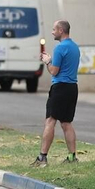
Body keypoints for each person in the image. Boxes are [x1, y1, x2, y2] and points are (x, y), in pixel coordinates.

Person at [34, 19, 80, 166]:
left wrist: (48, 61)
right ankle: (72, 157)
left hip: (60, 87)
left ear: (61, 30)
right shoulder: (74, 47)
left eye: (54, 29)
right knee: (67, 123)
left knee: (50, 121)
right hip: (72, 87)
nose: (52, 32)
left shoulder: (60, 48)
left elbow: (54, 71)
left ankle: (42, 157)